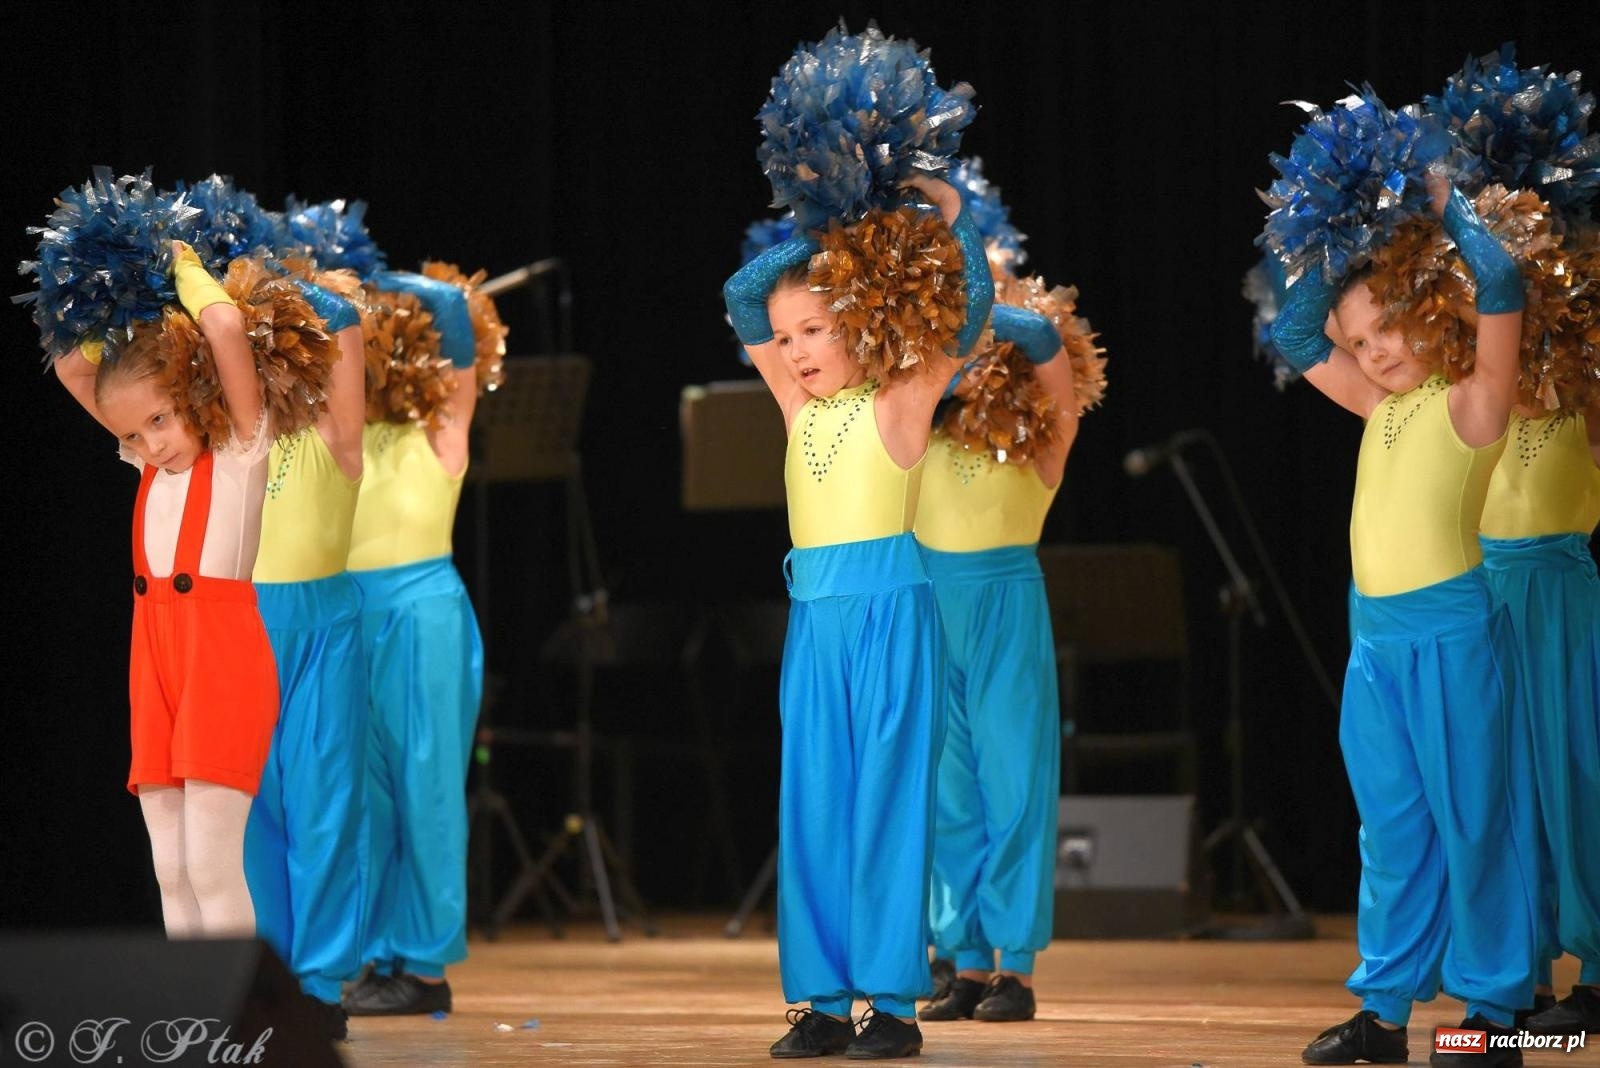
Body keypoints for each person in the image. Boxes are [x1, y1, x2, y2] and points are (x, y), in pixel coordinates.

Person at [1274, 174, 1540, 1068]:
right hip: (1376, 644)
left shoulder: (1474, 402)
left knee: (1474, 820)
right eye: (1359, 341)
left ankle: (1494, 1012)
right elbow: (1292, 331)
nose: (1374, 352)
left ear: (1426, 310)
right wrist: (1346, 230)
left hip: (1453, 634)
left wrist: (1439, 206)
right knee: (1390, 830)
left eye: (1386, 327)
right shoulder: (1375, 404)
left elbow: (1501, 285)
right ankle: (1383, 1014)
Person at [724, 174, 993, 1060]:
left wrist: (943, 222)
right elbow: (740, 294)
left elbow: (967, 313)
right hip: (817, 628)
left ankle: (895, 1006)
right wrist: (829, 242)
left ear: (862, 324)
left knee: (886, 805)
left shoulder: (899, 403)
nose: (796, 351)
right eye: (789, 335)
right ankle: (827, 1003)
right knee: (815, 807)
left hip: (890, 619)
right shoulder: (797, 406)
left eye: (817, 331)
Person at [53, 243, 282, 941]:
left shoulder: (241, 449)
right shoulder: (149, 459)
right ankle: (199, 1021)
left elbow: (223, 331)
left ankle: (242, 1026)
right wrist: (120, 295)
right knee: (172, 867)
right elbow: (70, 366)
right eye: (133, 433)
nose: (150, 445)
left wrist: (178, 268)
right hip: (155, 661)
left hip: (221, 660)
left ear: (194, 393)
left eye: (160, 420)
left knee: (212, 866)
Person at [915, 299, 1088, 1024]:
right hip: (928, 610)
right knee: (950, 797)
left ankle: (1015, 967)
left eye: (982, 351)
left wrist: (968, 312)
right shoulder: (915, 433)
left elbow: (1045, 337)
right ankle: (965, 960)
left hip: (1005, 612)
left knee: (1013, 788)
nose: (970, 360)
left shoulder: (1044, 439)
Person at [340, 269, 485, 1017]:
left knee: (426, 788)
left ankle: (427, 965)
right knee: (363, 800)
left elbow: (454, 314)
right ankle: (376, 955)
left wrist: (375, 284)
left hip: (420, 613)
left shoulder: (441, 428)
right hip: (345, 616)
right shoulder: (337, 433)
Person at [243, 275, 369, 1040]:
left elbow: (342, 322)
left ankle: (320, 984)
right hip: (245, 626)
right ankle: (270, 980)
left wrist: (279, 289)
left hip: (324, 624)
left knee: (324, 803)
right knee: (257, 813)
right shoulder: (239, 439)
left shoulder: (337, 438)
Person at [1481, 399, 1600, 1039]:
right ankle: (1522, 977)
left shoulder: (1587, 394)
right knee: (1507, 790)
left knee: (1572, 776)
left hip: (1556, 600)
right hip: (1482, 595)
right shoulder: (1470, 390)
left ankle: (1598, 974)